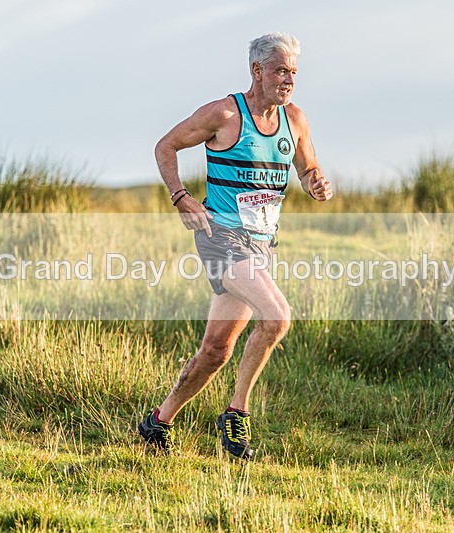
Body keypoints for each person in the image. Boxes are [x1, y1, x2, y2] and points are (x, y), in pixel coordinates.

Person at [138, 32, 333, 459]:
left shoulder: (295, 120)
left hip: (261, 245)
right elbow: (165, 145)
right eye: (281, 70)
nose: (289, 80)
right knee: (277, 317)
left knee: (215, 351)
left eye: (294, 73)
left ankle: (157, 422)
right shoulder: (224, 113)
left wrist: (314, 181)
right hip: (221, 237)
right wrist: (180, 197)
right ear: (257, 70)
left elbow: (307, 167)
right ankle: (237, 413)